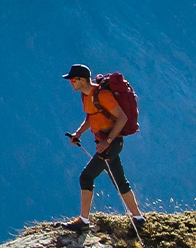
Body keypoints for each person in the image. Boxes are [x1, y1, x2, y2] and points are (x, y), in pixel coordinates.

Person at [61, 64, 144, 234]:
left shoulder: (103, 95)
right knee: (120, 181)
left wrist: (108, 141)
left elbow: (122, 118)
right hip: (105, 142)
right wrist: (78, 134)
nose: (71, 83)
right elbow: (92, 117)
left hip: (111, 143)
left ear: (82, 80)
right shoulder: (85, 96)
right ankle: (138, 218)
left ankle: (83, 220)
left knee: (86, 177)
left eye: (73, 80)